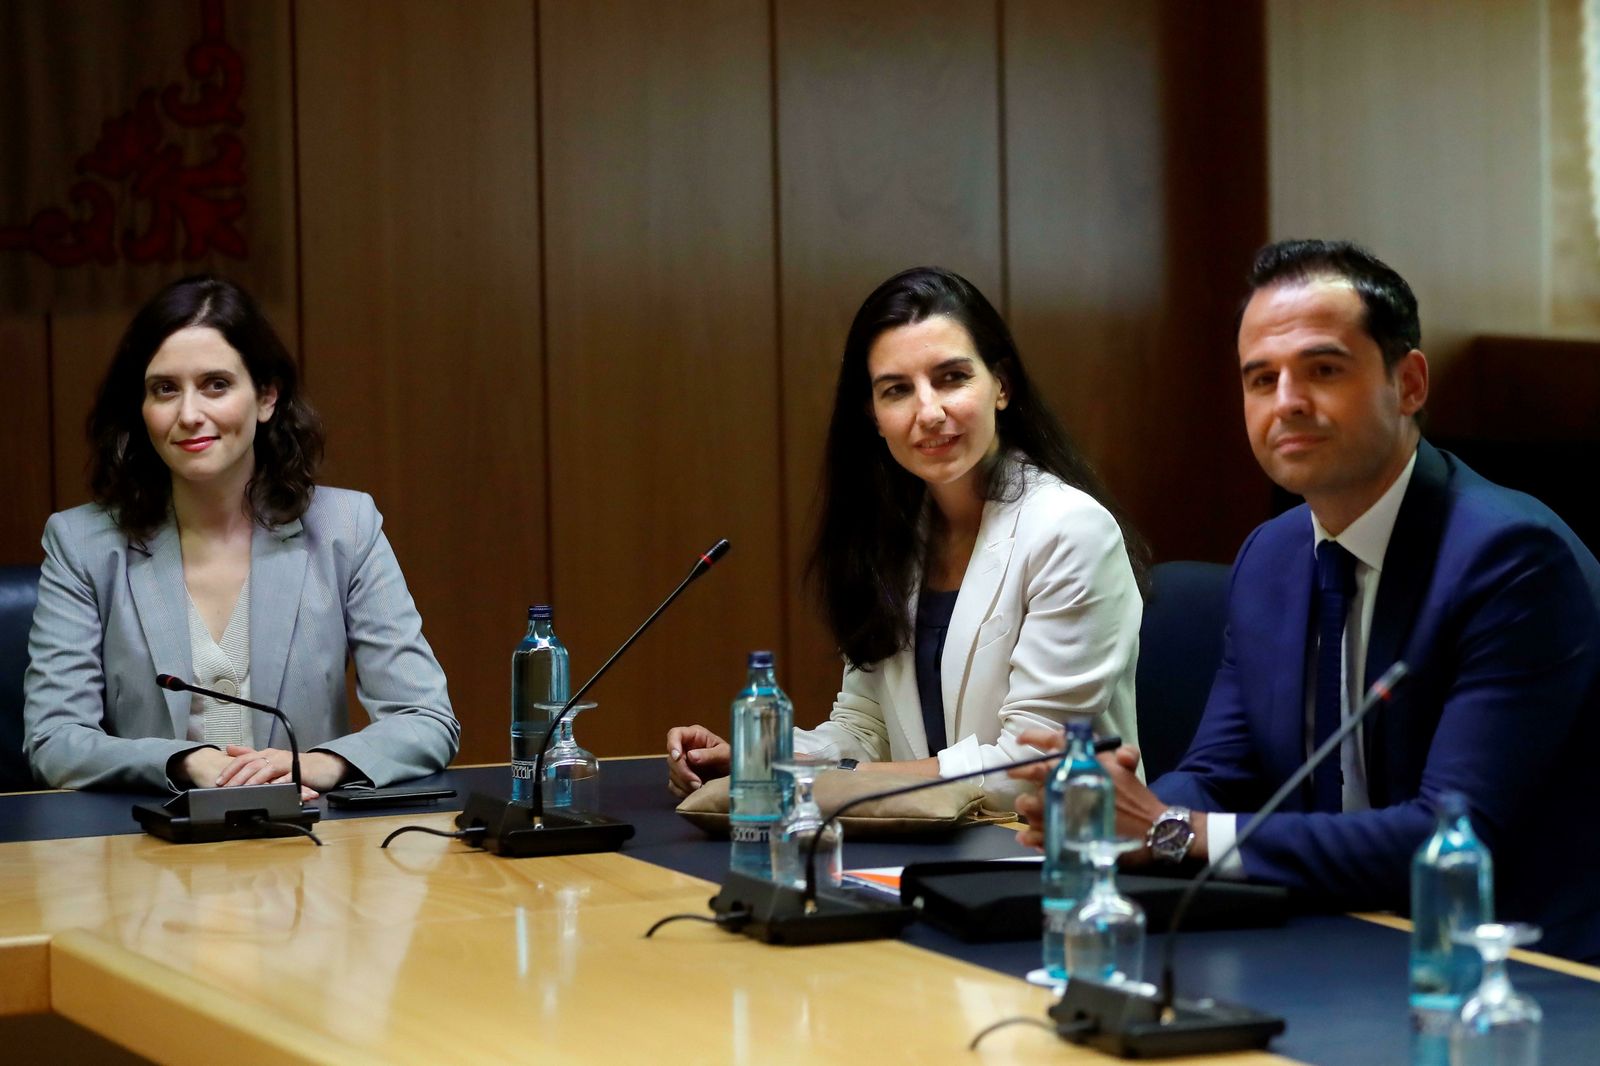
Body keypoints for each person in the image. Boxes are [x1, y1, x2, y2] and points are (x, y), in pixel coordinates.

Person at [1012, 239, 1600, 962]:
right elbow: (1222, 773)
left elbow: (1448, 837)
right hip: (1333, 935)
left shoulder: (1510, 560)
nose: (1287, 402)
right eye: (1261, 379)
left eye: (1323, 370)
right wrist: (1108, 811)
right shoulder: (1273, 556)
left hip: (1513, 961)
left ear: (1409, 384)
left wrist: (1170, 830)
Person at [667, 266, 1145, 807]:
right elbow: (866, 728)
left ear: (1001, 386)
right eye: (897, 390)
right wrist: (762, 758)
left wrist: (828, 781)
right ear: (873, 415)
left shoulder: (1070, 530)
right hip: (925, 839)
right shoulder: (890, 535)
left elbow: (1030, 766)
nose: (929, 412)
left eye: (951, 378)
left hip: (1052, 842)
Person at [24, 275, 460, 796]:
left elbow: (426, 718)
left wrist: (321, 764)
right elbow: (53, 741)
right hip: (148, 839)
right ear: (141, 407)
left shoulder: (346, 527)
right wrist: (183, 762)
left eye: (216, 385)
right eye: (165, 389)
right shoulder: (82, 543)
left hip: (311, 837)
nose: (189, 415)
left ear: (266, 396)